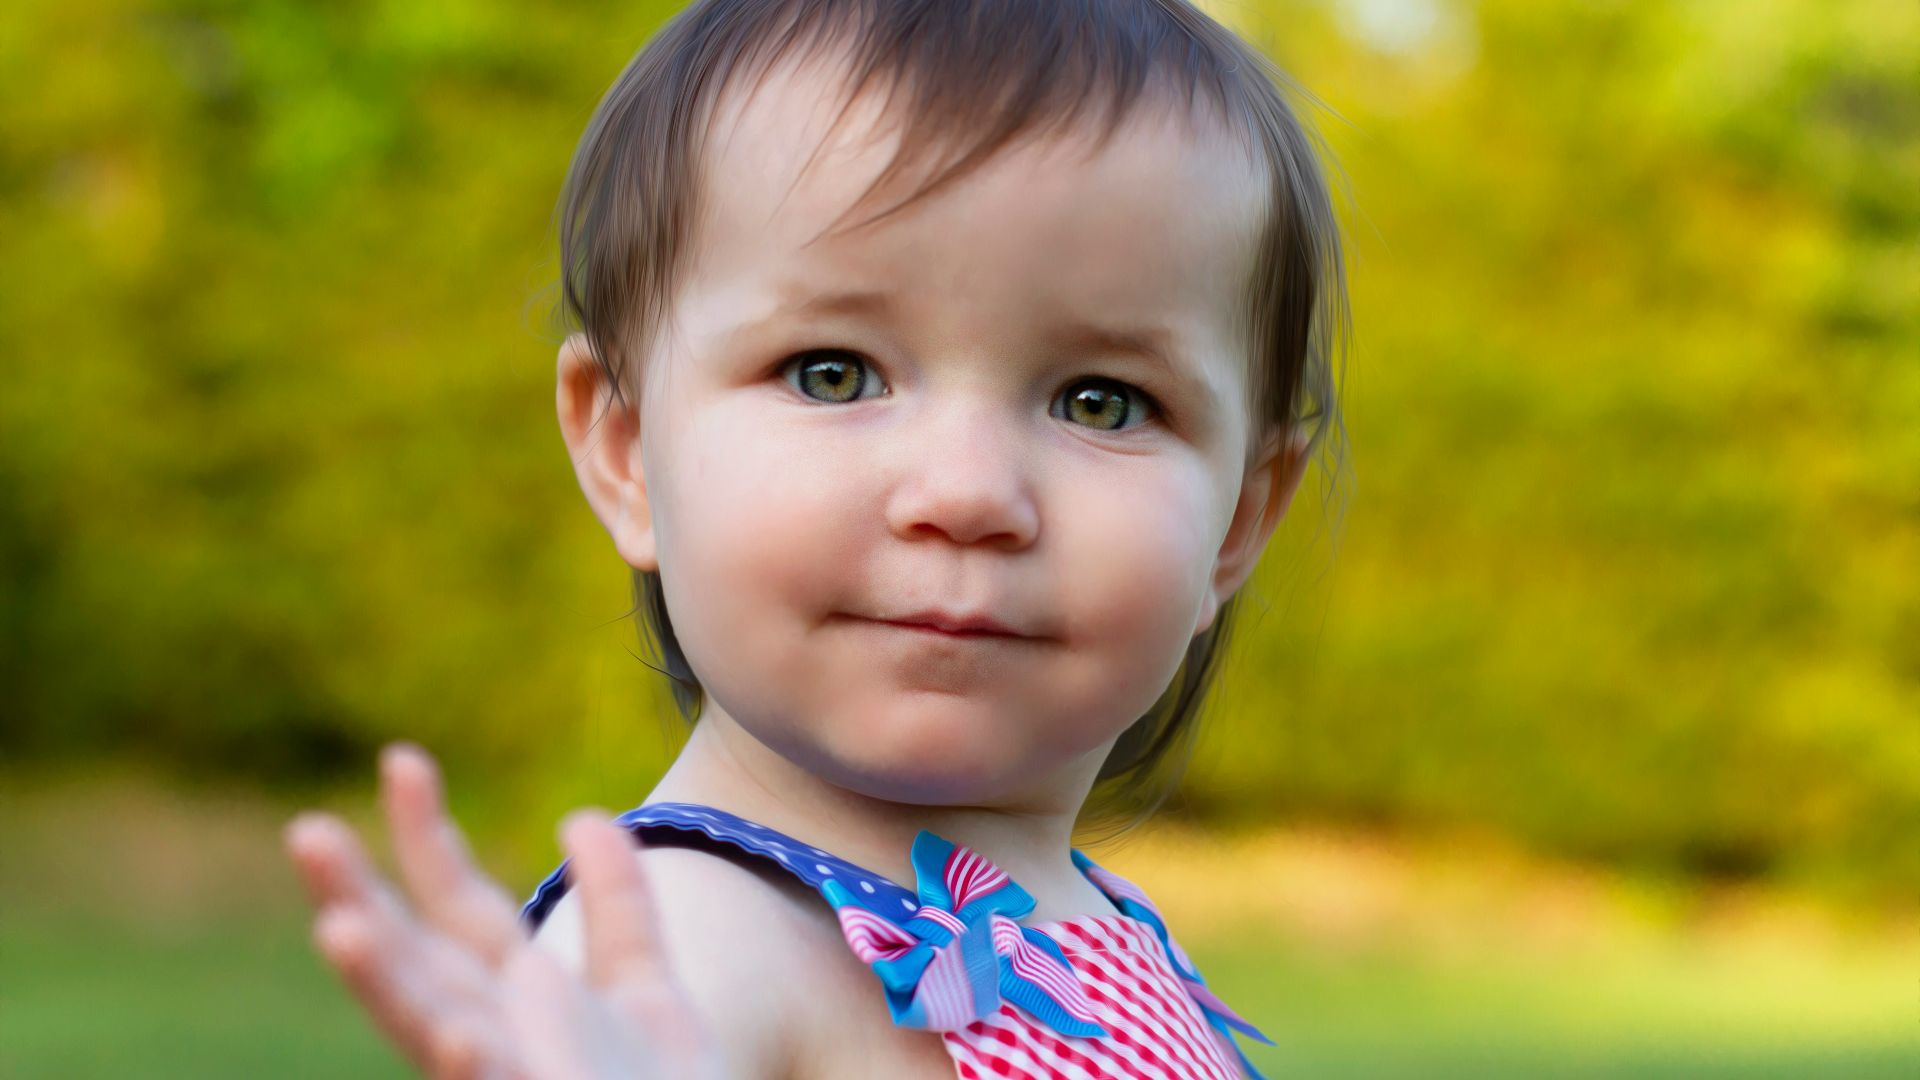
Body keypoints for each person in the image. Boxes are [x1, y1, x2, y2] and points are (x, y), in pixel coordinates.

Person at [283, 0, 1350, 1075]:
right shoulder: (690, 934)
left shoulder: (1103, 933)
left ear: (1240, 519)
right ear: (626, 447)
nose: (967, 492)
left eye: (1101, 402)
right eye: (832, 373)